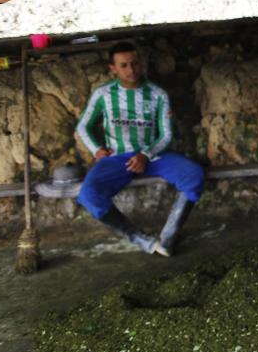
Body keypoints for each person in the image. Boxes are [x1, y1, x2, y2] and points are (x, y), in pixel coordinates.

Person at [75, 41, 204, 257]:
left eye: (134, 63)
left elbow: (166, 135)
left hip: (153, 156)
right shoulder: (103, 94)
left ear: (140, 64)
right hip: (116, 158)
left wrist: (145, 154)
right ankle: (141, 239)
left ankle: (168, 238)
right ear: (113, 69)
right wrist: (96, 149)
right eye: (123, 65)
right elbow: (83, 126)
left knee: (194, 175)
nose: (131, 69)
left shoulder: (157, 94)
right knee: (89, 196)